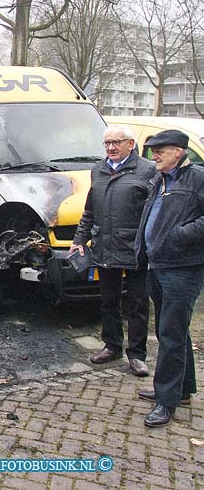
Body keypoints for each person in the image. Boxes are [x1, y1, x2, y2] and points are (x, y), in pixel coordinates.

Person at [70, 126, 155, 376]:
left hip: (135, 249)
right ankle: (112, 346)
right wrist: (79, 239)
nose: (111, 148)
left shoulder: (147, 170)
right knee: (108, 300)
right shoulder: (98, 170)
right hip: (105, 248)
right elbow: (89, 211)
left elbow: (154, 212)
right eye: (107, 143)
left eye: (116, 143)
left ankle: (137, 355)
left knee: (138, 304)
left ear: (130, 144)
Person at [134, 129, 204, 427]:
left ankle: (167, 400)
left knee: (171, 333)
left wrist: (180, 235)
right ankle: (182, 390)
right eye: (151, 150)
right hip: (157, 265)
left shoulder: (197, 178)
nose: (153, 155)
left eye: (159, 150)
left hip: (183, 267)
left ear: (178, 151)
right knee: (172, 331)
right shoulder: (160, 180)